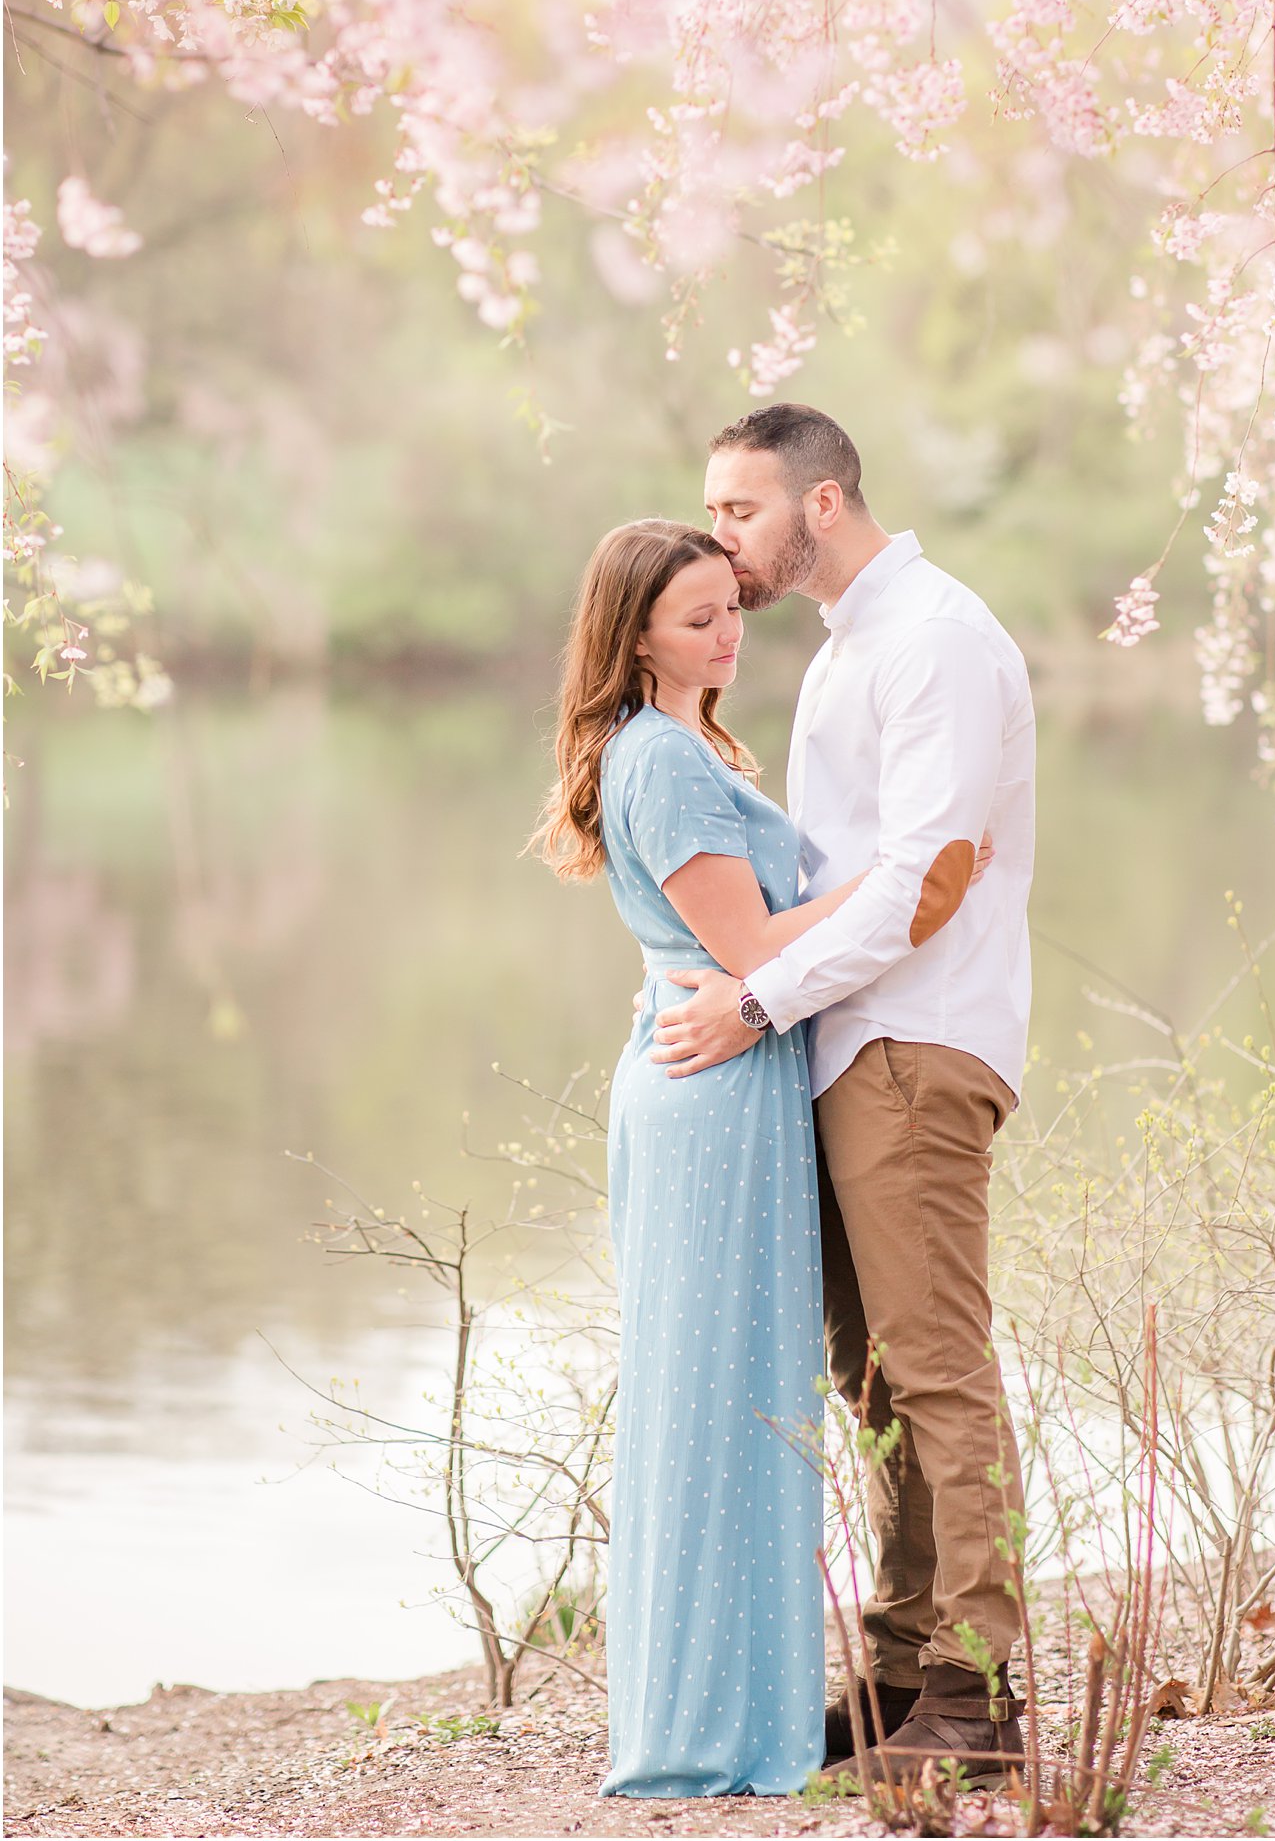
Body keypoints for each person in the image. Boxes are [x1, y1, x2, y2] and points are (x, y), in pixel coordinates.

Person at [651, 405, 1036, 1785]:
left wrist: (754, 1000)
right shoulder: (848, 651)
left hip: (915, 1044)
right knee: (874, 1381)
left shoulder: (933, 637)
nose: (723, 535)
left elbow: (921, 886)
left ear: (822, 500)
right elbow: (829, 882)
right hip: (843, 1046)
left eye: (740, 508)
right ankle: (897, 1677)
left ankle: (980, 1694)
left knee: (937, 1369)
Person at [530, 518, 860, 1796]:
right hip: (711, 1090)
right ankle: (703, 1731)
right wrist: (903, 877)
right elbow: (755, 951)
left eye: (732, 609)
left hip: (722, 1080)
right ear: (634, 636)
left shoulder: (683, 742)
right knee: (717, 1401)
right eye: (695, 618)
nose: (726, 635)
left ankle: (725, 1708)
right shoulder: (658, 758)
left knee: (736, 1394)